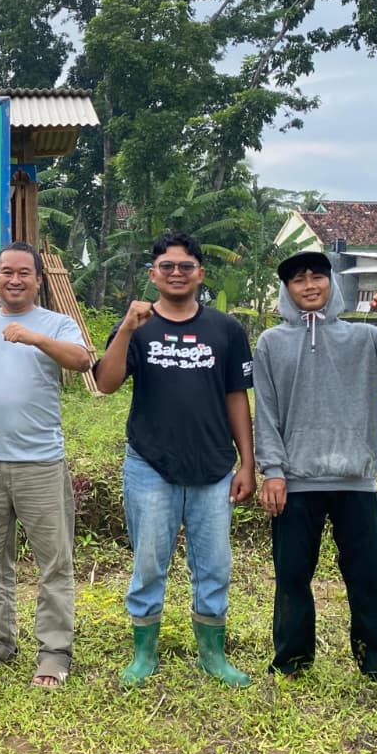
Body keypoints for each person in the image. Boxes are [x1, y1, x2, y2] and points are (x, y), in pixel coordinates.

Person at [254, 250, 377, 685]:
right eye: (298, 279)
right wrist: (272, 470)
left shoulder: (366, 340)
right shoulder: (271, 343)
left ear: (331, 283)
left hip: (357, 480)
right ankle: (292, 663)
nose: (309, 285)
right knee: (292, 577)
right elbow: (264, 411)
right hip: (295, 482)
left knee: (368, 576)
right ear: (287, 290)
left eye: (317, 276)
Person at [94, 231, 256, 689]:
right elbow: (105, 384)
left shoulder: (225, 329)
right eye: (167, 266)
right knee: (148, 564)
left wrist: (247, 463)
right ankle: (144, 655)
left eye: (186, 266)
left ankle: (213, 655)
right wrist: (126, 327)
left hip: (213, 467)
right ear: (153, 275)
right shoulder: (138, 326)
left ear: (200, 274)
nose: (177, 273)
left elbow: (236, 397)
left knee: (215, 565)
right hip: (150, 465)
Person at [0, 241, 92, 687]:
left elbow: (82, 361)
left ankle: (54, 651)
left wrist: (33, 337)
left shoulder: (58, 323)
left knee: (54, 561)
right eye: (6, 272)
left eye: (23, 273)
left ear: (38, 279)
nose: (14, 280)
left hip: (40, 463)